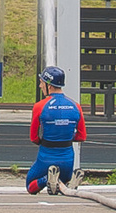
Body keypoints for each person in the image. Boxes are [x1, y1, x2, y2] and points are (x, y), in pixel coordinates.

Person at [26, 65, 84, 196]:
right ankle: (68, 182)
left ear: (49, 85)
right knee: (62, 181)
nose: (40, 87)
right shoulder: (76, 106)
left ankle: (47, 178)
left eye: (41, 83)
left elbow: (33, 138)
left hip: (46, 156)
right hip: (68, 159)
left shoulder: (39, 106)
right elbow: (82, 136)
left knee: (30, 185)